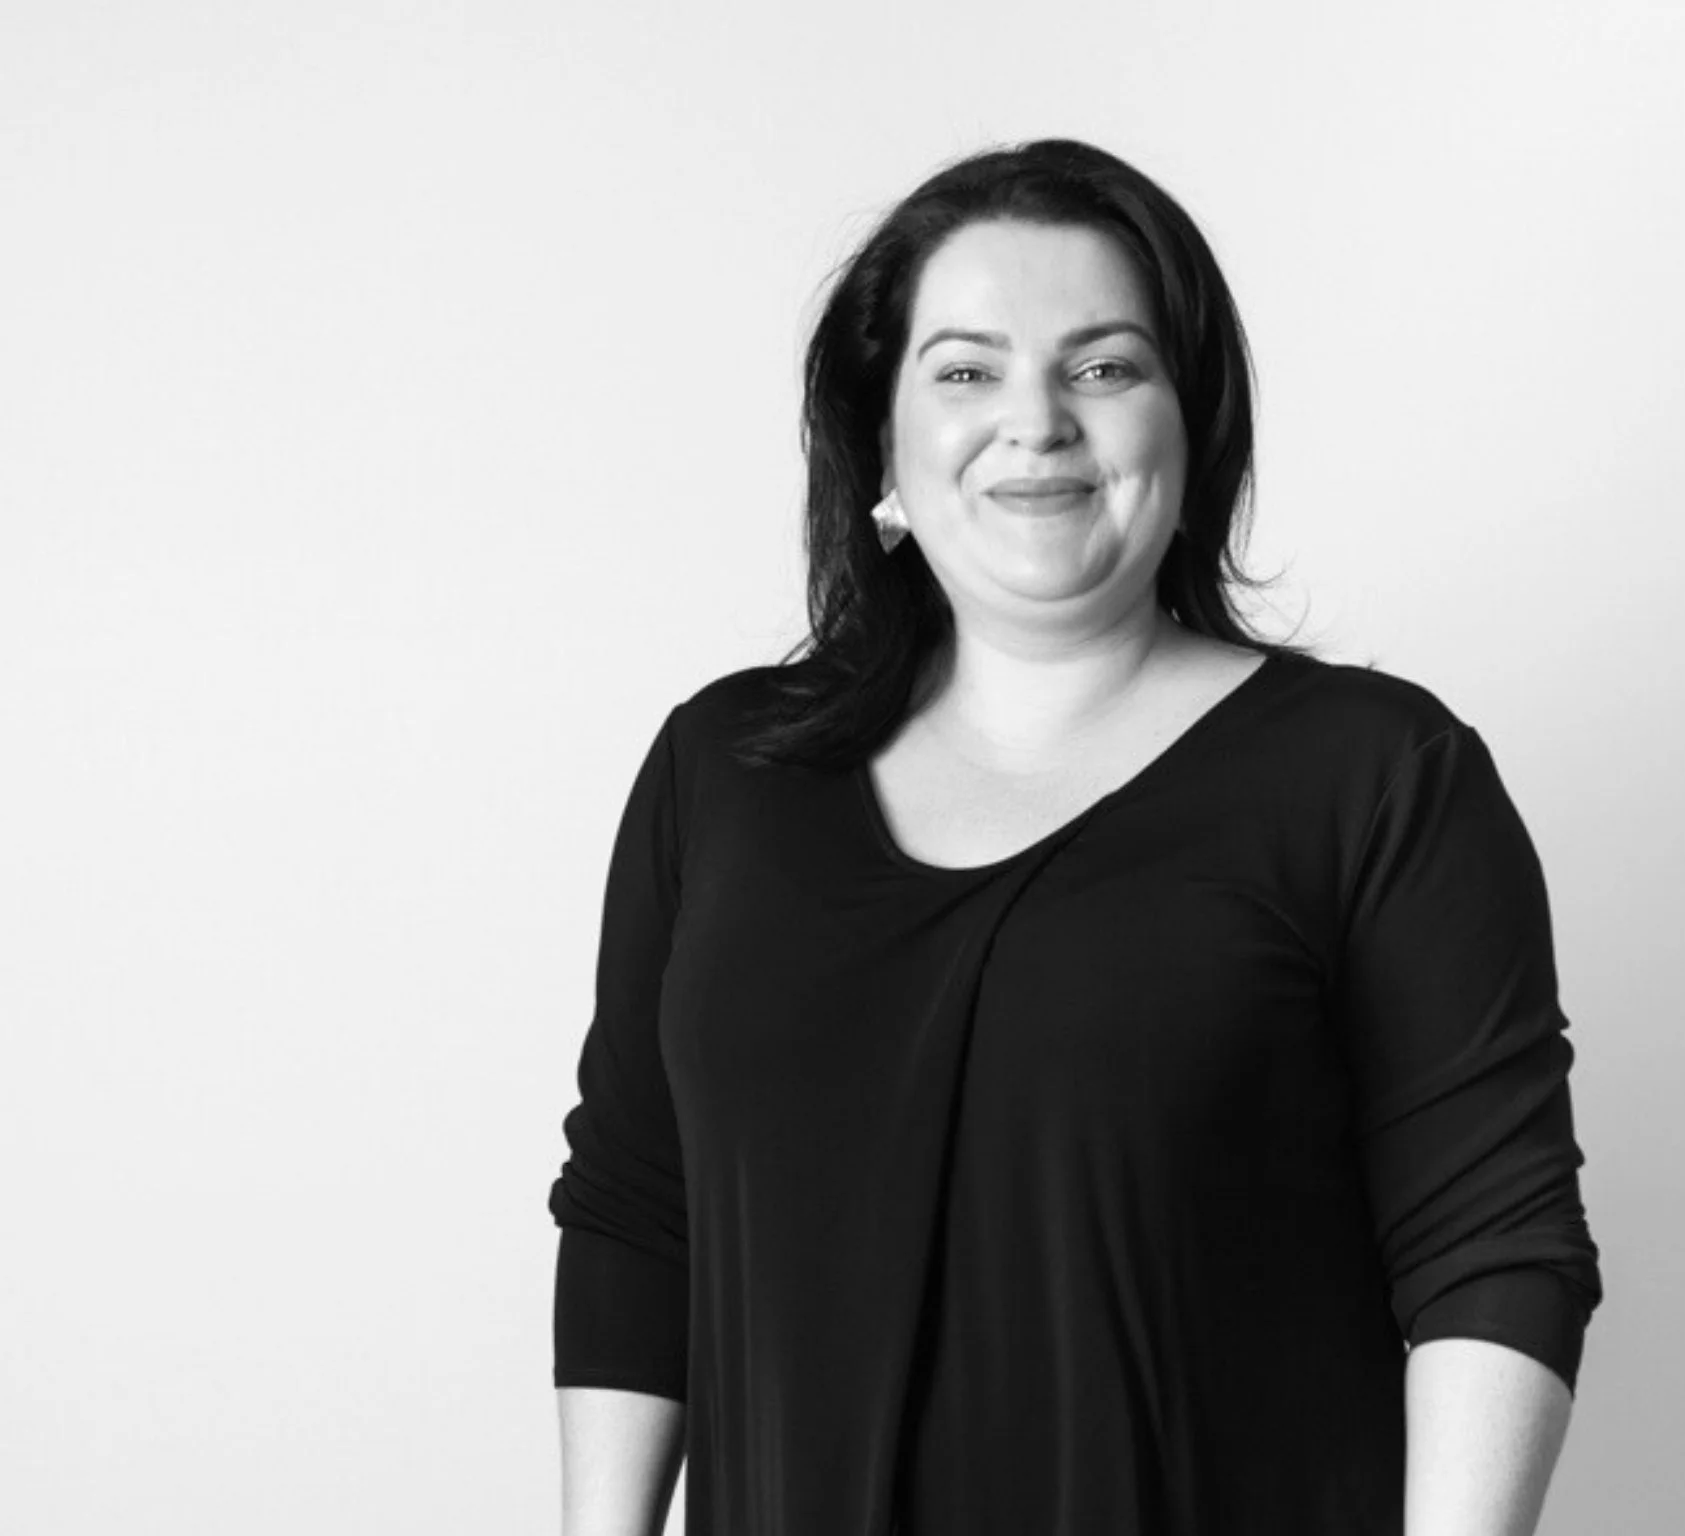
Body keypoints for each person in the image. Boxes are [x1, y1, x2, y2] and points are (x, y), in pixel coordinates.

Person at [547, 137, 1603, 1536]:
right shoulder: (722, 771)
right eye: (966, 372)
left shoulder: (1377, 777)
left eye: (1103, 367)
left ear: (1192, 422)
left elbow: (1494, 1245)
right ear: (882, 441)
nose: (1036, 422)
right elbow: (638, 1214)